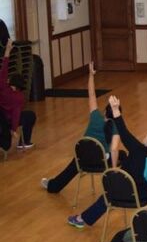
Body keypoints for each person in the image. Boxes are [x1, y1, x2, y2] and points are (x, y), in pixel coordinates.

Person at [66, 95, 147, 229]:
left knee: (109, 193)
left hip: (120, 193)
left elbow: (123, 131)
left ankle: (81, 219)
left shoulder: (136, 148)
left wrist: (115, 109)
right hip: (141, 198)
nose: (145, 135)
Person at [41, 62, 121, 193]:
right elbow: (114, 149)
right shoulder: (115, 129)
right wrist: (113, 169)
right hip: (100, 162)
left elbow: (92, 94)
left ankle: (53, 186)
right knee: (123, 156)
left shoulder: (95, 116)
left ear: (105, 112)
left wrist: (91, 75)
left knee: (75, 164)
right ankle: (118, 186)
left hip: (83, 157)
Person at [0, 41, 36, 150]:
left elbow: (3, 71)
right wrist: (13, 130)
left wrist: (7, 52)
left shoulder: (2, 87)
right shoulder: (19, 97)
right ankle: (24, 142)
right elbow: (16, 114)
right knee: (30, 115)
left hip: (1, 120)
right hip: (9, 121)